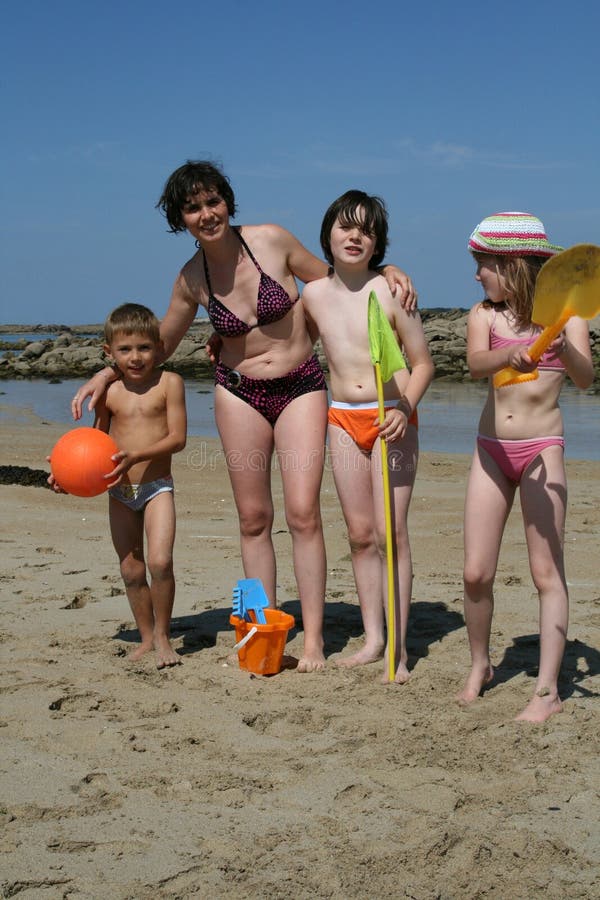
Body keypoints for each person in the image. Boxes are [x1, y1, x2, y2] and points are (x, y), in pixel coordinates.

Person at [71, 160, 417, 673]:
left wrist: (387, 271)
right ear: (180, 218)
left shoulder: (272, 240)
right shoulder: (191, 279)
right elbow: (157, 345)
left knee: (303, 514)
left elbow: (341, 282)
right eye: (193, 208)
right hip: (239, 393)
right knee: (254, 519)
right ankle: (263, 630)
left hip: (301, 385)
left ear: (228, 201)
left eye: (213, 202)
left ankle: (315, 640)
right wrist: (106, 373)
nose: (206, 214)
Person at [458, 212, 594, 722]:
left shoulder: (568, 317)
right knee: (475, 572)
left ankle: (547, 691)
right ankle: (480, 665)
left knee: (546, 572)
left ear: (511, 263)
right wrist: (510, 354)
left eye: (483, 264)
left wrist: (562, 349)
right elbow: (474, 364)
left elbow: (583, 379)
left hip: (542, 449)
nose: (476, 275)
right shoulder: (484, 316)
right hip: (490, 449)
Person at [302, 191, 434, 683]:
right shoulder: (312, 295)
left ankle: (398, 649)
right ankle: (373, 638)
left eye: (366, 230)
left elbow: (423, 364)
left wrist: (405, 406)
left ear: (377, 242)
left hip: (391, 418)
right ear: (328, 234)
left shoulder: (392, 292)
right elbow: (280, 343)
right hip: (341, 417)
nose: (354, 236)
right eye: (345, 227)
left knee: (389, 534)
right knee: (359, 536)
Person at [54, 303, 187, 669]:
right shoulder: (109, 392)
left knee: (160, 562)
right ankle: (145, 637)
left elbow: (178, 438)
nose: (136, 357)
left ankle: (163, 636)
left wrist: (137, 454)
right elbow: (93, 445)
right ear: (108, 353)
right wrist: (66, 474)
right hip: (119, 490)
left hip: (157, 486)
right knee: (130, 569)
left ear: (160, 347)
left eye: (144, 347)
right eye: (125, 350)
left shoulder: (170, 383)